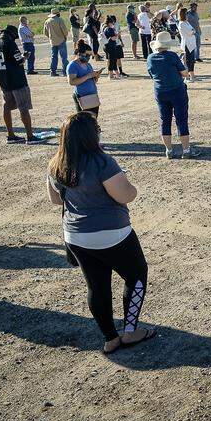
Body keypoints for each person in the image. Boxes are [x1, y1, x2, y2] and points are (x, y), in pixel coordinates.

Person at [46, 111, 153, 354]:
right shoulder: (103, 162)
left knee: (97, 286)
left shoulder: (55, 164)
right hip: (112, 233)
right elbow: (126, 195)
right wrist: (129, 183)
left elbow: (55, 200)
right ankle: (130, 331)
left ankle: (109, 338)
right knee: (136, 274)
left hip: (76, 236)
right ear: (91, 136)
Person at [145, 32, 197, 159]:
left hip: (160, 91)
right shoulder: (173, 56)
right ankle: (186, 150)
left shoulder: (150, 58)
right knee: (181, 120)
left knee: (165, 120)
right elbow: (185, 73)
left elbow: (152, 75)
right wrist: (182, 62)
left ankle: (169, 150)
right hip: (177, 90)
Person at [0, 25, 40, 144]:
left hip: (3, 80)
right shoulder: (9, 42)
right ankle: (30, 136)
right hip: (17, 80)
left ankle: (10, 135)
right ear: (12, 35)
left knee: (6, 107)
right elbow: (19, 61)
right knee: (23, 107)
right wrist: (25, 56)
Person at [67, 40, 103, 115]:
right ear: (79, 53)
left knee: (93, 119)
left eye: (90, 55)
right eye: (87, 54)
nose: (89, 57)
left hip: (92, 95)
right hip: (82, 96)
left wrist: (96, 77)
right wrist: (88, 76)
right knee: (84, 120)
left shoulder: (88, 65)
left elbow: (92, 81)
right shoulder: (72, 65)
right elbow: (72, 82)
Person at [44, 9, 70, 77]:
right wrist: (65, 37)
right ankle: (65, 72)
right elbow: (64, 30)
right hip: (61, 40)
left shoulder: (47, 21)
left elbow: (45, 33)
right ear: (57, 14)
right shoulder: (59, 20)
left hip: (52, 41)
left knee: (54, 57)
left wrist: (51, 37)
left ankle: (52, 72)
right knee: (64, 57)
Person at [176, 7, 198, 82]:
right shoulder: (182, 23)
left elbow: (193, 30)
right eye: (187, 14)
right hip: (186, 44)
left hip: (191, 44)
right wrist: (193, 31)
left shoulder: (186, 22)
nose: (188, 15)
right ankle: (187, 77)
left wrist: (193, 31)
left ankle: (192, 76)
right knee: (187, 61)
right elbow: (190, 32)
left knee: (191, 60)